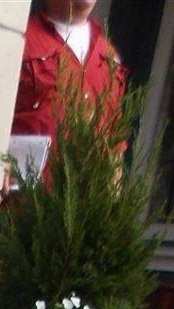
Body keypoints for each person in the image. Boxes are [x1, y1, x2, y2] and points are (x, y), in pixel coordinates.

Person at [9, 0, 126, 178]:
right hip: (25, 200)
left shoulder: (109, 57)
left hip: (85, 203)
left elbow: (115, 146)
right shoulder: (19, 40)